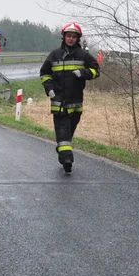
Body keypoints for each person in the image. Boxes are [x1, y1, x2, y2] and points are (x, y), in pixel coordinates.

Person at [40, 22, 100, 173]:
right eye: (68, 36)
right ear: (64, 36)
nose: (71, 39)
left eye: (74, 36)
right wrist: (49, 88)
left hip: (76, 103)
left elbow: (96, 71)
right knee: (63, 130)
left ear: (78, 38)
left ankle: (62, 148)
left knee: (68, 132)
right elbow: (44, 73)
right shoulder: (54, 55)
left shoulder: (83, 56)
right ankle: (67, 159)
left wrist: (83, 73)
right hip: (58, 102)